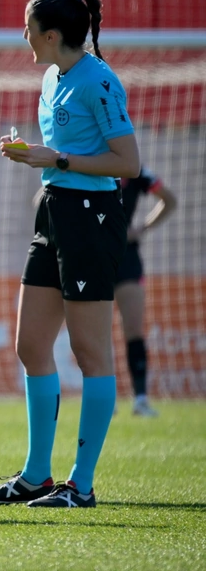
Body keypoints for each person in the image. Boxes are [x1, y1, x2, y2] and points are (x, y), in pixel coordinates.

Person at [0, 0, 140, 508]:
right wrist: (34, 156)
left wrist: (58, 159)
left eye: (27, 27)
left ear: (50, 34)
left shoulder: (100, 80)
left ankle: (82, 485)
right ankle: (36, 476)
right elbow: (60, 154)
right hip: (53, 211)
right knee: (30, 345)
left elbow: (127, 164)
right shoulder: (50, 76)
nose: (22, 35)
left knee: (91, 352)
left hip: (91, 219)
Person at [116, 167, 177, 417]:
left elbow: (169, 201)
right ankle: (103, 400)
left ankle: (140, 399)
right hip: (93, 259)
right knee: (93, 333)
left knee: (134, 330)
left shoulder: (136, 172)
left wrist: (142, 228)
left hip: (127, 259)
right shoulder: (88, 163)